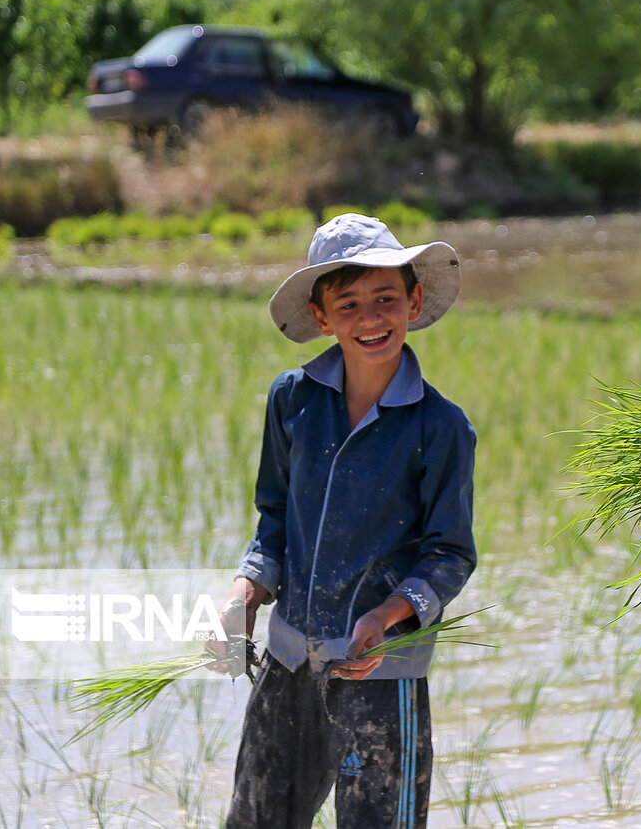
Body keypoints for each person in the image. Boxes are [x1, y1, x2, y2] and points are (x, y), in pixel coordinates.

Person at [213, 213, 477, 829]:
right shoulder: (293, 400)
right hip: (288, 663)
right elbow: (275, 516)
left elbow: (449, 555)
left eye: (386, 298)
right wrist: (244, 594)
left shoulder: (439, 428)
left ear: (413, 300)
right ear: (323, 318)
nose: (370, 317)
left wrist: (386, 618)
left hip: (380, 671)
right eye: (349, 303)